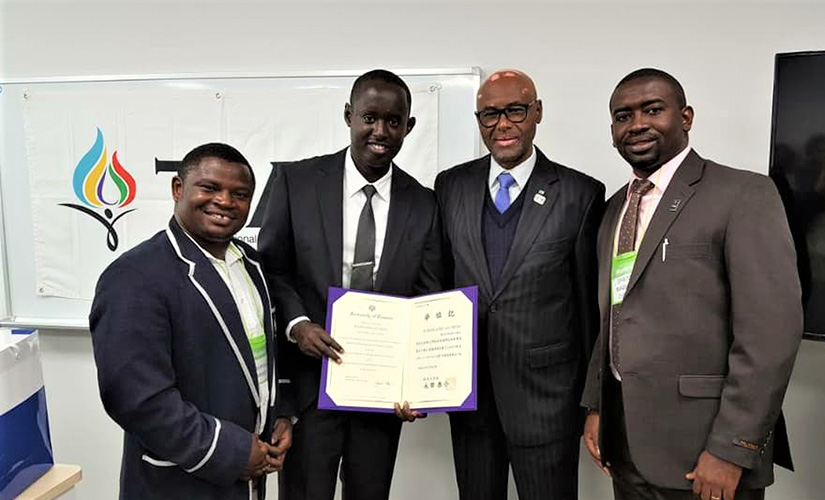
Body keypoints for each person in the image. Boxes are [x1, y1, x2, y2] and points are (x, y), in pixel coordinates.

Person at [581, 68, 803, 500]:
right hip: (625, 444)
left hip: (704, 452)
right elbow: (614, 314)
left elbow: (771, 334)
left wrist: (733, 449)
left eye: (652, 109)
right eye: (623, 116)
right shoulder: (613, 210)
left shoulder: (743, 194)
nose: (637, 124)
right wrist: (597, 404)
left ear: (686, 117)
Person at [258, 69, 443, 500]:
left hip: (380, 399)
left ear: (408, 127)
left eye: (394, 121)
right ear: (348, 116)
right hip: (309, 387)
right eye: (369, 117)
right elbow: (272, 268)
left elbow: (427, 298)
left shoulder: (424, 203)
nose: (381, 131)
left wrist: (414, 382)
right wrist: (297, 324)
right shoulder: (296, 182)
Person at [434, 69, 605, 500]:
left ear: (537, 113)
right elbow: (437, 285)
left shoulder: (580, 193)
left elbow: (590, 309)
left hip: (547, 400)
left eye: (515, 110)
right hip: (470, 397)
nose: (502, 124)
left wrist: (595, 400)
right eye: (489, 114)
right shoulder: (450, 186)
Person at [90, 143, 292, 500]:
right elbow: (138, 400)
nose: (226, 201)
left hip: (247, 476)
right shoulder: (134, 276)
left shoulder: (252, 264)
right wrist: (230, 451)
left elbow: (261, 359)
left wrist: (279, 417)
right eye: (210, 188)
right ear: (177, 189)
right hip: (180, 483)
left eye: (240, 194)